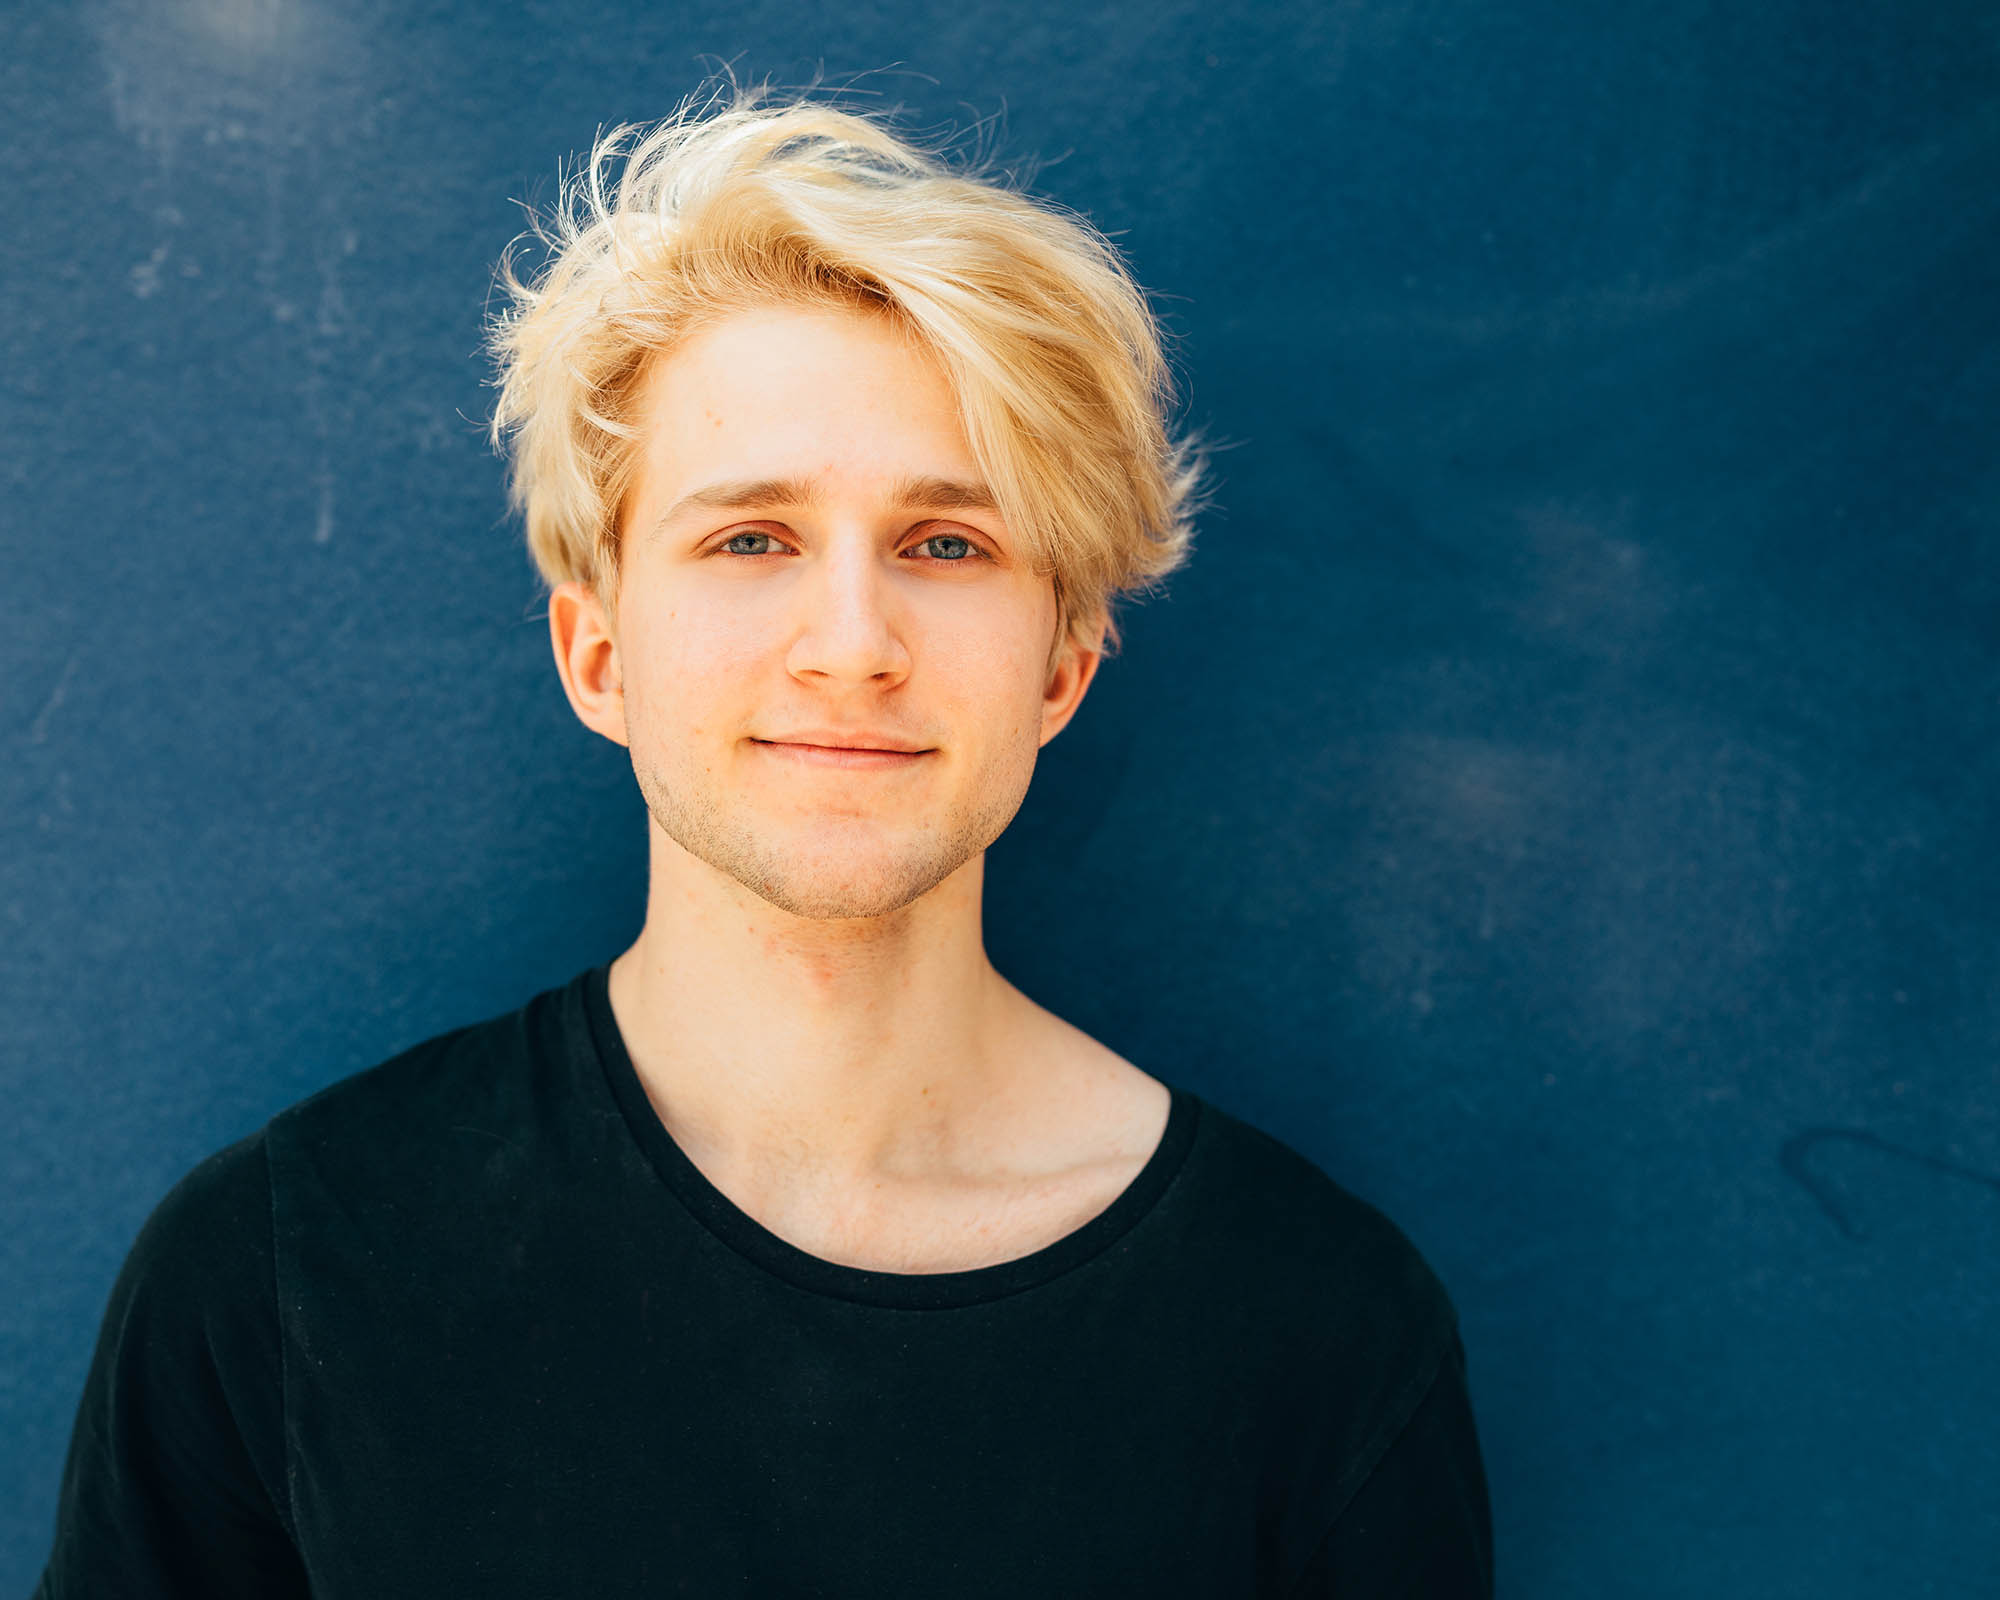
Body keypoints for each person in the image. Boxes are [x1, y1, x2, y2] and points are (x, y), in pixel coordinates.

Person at [35, 81, 1493, 1597]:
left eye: (948, 543)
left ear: (1062, 665)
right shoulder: (279, 1277)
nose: (851, 644)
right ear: (598, 656)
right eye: (751, 538)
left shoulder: (1323, 1336)